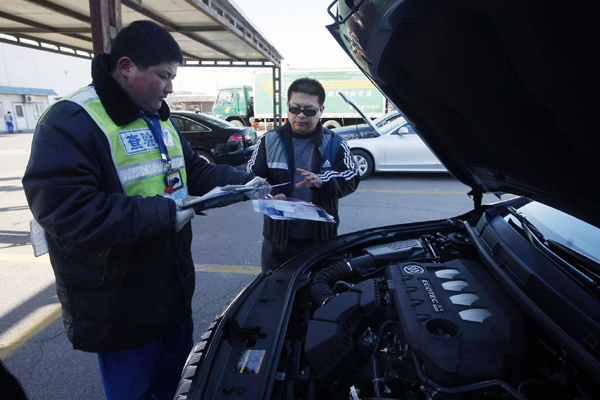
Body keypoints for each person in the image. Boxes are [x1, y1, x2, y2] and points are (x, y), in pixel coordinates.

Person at [22, 20, 256, 400]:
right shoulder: (71, 121)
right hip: (118, 302)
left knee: (177, 385)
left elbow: (192, 171)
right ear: (127, 67)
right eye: (164, 76)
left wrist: (244, 182)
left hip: (170, 290)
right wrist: (163, 214)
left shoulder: (159, 117)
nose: (170, 88)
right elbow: (66, 208)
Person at [247, 78, 360, 272]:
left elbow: (352, 176)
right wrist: (270, 197)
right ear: (287, 107)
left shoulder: (335, 143)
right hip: (277, 242)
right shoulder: (268, 140)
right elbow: (251, 176)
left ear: (321, 110)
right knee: (274, 296)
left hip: (322, 242)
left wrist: (322, 181)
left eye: (309, 110)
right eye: (294, 109)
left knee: (319, 294)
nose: (300, 115)